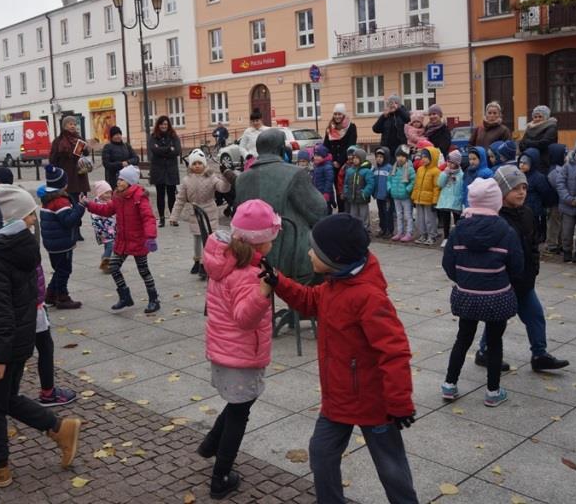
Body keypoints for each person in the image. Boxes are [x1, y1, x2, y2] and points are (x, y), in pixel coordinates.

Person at [260, 214, 418, 504]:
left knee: (391, 467)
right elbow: (309, 301)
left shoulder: (369, 296)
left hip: (374, 403)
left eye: (315, 251)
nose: (309, 253)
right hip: (339, 398)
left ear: (335, 258)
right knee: (321, 455)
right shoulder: (334, 284)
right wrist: (279, 282)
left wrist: (400, 403)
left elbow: (394, 351)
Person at [0, 193, 81, 487]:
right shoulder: (13, 247)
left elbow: (0, 312)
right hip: (17, 342)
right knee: (5, 398)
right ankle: (60, 429)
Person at [197, 200, 281, 500]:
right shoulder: (248, 272)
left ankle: (209, 445)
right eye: (272, 236)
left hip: (224, 349)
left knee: (237, 403)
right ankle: (220, 478)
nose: (274, 241)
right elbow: (245, 318)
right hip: (241, 353)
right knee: (240, 410)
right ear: (261, 240)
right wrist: (264, 293)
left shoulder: (226, 259)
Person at [0, 185, 78, 408]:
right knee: (34, 350)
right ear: (15, 217)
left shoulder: (12, 238)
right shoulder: (16, 243)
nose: (33, 218)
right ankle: (39, 394)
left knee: (33, 350)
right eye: (29, 214)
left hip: (33, 304)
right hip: (27, 307)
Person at [474, 166, 569, 372]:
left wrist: (533, 269)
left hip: (525, 279)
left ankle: (539, 354)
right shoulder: (495, 217)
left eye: (524, 188)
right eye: (515, 188)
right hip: (503, 282)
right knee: (498, 319)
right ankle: (484, 351)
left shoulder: (527, 213)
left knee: (535, 315)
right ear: (501, 190)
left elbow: (533, 244)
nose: (521, 192)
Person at [441, 178, 523, 407]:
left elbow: (448, 263)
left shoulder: (458, 230)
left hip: (466, 295)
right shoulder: (506, 231)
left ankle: (449, 385)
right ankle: (493, 392)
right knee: (495, 343)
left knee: (463, 338)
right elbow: (517, 266)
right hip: (496, 295)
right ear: (496, 202)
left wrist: (464, 280)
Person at [233, 128, 328, 285]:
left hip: (249, 254)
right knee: (320, 259)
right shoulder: (295, 174)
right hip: (289, 258)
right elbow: (319, 212)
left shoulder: (242, 179)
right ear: (282, 148)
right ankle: (301, 306)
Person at [82, 164, 161, 313]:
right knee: (113, 267)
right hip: (122, 240)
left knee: (143, 270)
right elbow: (106, 209)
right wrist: (89, 205)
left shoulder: (139, 197)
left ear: (130, 182)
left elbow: (148, 218)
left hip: (138, 240)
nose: (119, 182)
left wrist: (150, 237)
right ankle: (125, 297)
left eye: (123, 180)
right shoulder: (118, 196)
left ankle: (154, 299)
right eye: (119, 179)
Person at [169, 149, 231, 279]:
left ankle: (205, 264)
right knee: (197, 238)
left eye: (199, 163)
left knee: (209, 240)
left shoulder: (212, 177)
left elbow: (223, 188)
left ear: (204, 164)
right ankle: (197, 261)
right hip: (195, 213)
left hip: (210, 212)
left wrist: (225, 177)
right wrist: (174, 216)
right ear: (191, 165)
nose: (197, 165)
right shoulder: (186, 180)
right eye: (194, 163)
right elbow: (180, 199)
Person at [37, 165, 85, 309]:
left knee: (59, 269)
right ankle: (62, 298)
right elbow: (68, 221)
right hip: (61, 243)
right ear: (62, 183)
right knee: (64, 270)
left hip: (52, 242)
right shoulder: (60, 201)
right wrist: (81, 207)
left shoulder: (48, 198)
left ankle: (51, 294)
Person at [148, 116, 182, 227]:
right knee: (160, 195)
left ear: (169, 125)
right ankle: (162, 218)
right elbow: (154, 150)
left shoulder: (173, 136)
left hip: (171, 169)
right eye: (162, 124)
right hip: (158, 170)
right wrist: (168, 149)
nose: (164, 126)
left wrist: (161, 150)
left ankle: (173, 218)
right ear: (158, 125)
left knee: (172, 195)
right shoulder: (153, 137)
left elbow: (177, 151)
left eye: (166, 124)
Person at [323, 104, 357, 212]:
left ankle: (349, 212)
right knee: (337, 189)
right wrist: (330, 160)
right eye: (335, 114)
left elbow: (351, 145)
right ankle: (341, 211)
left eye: (339, 114)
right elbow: (326, 145)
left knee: (346, 187)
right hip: (333, 163)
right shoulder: (330, 128)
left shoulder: (351, 127)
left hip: (346, 163)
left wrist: (339, 161)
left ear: (343, 115)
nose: (337, 116)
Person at [518, 148, 556, 244]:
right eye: (520, 162)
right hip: (523, 207)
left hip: (536, 209)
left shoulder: (538, 177)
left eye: (525, 163)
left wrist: (545, 205)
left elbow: (546, 192)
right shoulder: (519, 175)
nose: (521, 165)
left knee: (536, 229)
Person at [50, 115, 91, 199]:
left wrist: (86, 148)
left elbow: (84, 154)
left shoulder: (79, 138)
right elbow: (53, 159)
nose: (73, 126)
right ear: (64, 126)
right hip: (66, 175)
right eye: (70, 124)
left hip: (80, 175)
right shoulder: (59, 140)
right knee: (69, 202)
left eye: (74, 124)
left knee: (81, 202)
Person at [411, 147, 441, 245]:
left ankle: (432, 235)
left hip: (429, 200)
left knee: (430, 219)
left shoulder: (436, 171)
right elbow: (416, 184)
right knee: (420, 219)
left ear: (432, 158)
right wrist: (414, 197)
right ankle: (422, 235)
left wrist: (435, 201)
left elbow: (436, 187)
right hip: (419, 199)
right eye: (422, 157)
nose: (423, 159)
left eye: (426, 157)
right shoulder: (420, 169)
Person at [519, 105, 559, 174]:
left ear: (546, 117)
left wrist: (528, 143)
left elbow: (544, 143)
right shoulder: (530, 128)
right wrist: (528, 144)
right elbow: (521, 145)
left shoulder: (551, 127)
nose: (537, 119)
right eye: (535, 117)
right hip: (528, 161)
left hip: (544, 162)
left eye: (540, 117)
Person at [341, 148, 373, 231]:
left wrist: (365, 193)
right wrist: (346, 192)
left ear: (361, 159)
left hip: (362, 197)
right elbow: (346, 183)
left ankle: (365, 229)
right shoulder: (350, 170)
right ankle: (355, 230)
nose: (354, 160)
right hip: (352, 197)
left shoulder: (367, 171)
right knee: (353, 215)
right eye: (354, 158)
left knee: (363, 214)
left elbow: (370, 184)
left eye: (357, 158)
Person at [436, 151, 464, 246]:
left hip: (456, 201)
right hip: (445, 200)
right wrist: (445, 174)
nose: (449, 164)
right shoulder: (445, 172)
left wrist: (460, 200)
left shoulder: (461, 174)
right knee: (446, 220)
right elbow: (439, 184)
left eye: (452, 162)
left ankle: (457, 238)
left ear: (457, 163)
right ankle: (446, 237)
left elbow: (461, 188)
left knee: (457, 221)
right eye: (448, 161)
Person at [389, 145, 416, 242]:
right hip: (396, 195)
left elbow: (413, 181)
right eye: (398, 156)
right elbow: (389, 179)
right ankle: (400, 232)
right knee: (399, 215)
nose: (400, 158)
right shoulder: (394, 168)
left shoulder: (409, 168)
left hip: (405, 196)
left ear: (406, 157)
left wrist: (407, 189)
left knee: (408, 216)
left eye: (402, 156)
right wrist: (390, 188)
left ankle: (409, 233)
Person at [372, 94, 409, 162]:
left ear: (398, 103)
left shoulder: (402, 112)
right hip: (387, 148)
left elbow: (407, 119)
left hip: (400, 147)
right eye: (389, 103)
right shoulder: (386, 115)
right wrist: (383, 117)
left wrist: (397, 109)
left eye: (393, 103)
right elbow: (375, 129)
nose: (391, 105)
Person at [90, 180, 116, 273]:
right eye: (106, 193)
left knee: (108, 246)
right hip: (104, 231)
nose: (109, 195)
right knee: (110, 246)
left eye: (110, 192)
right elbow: (96, 220)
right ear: (100, 194)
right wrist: (101, 231)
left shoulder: (110, 202)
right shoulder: (96, 205)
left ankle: (106, 260)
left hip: (112, 230)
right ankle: (105, 263)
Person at [545, 144, 567, 254]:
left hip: (559, 201)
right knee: (554, 223)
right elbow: (558, 185)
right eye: (564, 154)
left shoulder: (559, 168)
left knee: (559, 223)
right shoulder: (554, 171)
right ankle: (552, 244)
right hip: (555, 201)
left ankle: (559, 243)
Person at [371, 147, 393, 237]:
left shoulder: (389, 168)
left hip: (386, 196)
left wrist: (389, 192)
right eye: (377, 156)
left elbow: (391, 181)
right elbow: (373, 182)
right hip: (378, 196)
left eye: (381, 157)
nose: (379, 158)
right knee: (381, 213)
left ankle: (389, 230)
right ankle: (382, 229)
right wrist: (373, 192)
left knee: (387, 213)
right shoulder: (375, 169)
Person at [311, 145, 335, 211]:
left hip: (324, 193)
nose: (316, 158)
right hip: (317, 193)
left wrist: (326, 193)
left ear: (324, 157)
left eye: (318, 156)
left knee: (326, 210)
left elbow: (329, 181)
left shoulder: (327, 167)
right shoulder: (317, 166)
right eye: (315, 155)